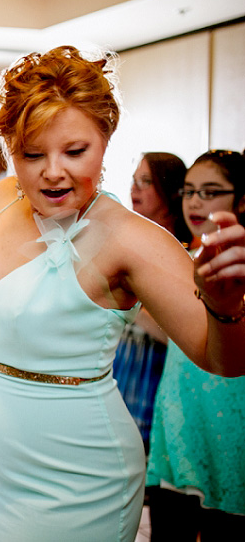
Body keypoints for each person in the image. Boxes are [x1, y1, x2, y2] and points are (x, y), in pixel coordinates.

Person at [0, 46, 245, 541]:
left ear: (105, 141)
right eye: (32, 153)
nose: (52, 171)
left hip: (77, 482)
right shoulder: (5, 199)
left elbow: (222, 361)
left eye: (74, 151)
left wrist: (225, 308)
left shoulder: (129, 239)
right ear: (8, 147)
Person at [146, 149, 245, 539]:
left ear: (240, 200)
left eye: (210, 191)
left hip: (232, 419)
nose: (196, 202)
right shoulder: (176, 258)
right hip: (179, 414)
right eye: (189, 192)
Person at [112, 152, 188, 452]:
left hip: (157, 370)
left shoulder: (182, 254)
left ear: (170, 191)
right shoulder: (124, 240)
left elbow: (178, 335)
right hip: (123, 363)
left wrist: (130, 300)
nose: (135, 189)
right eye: (133, 181)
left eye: (146, 182)